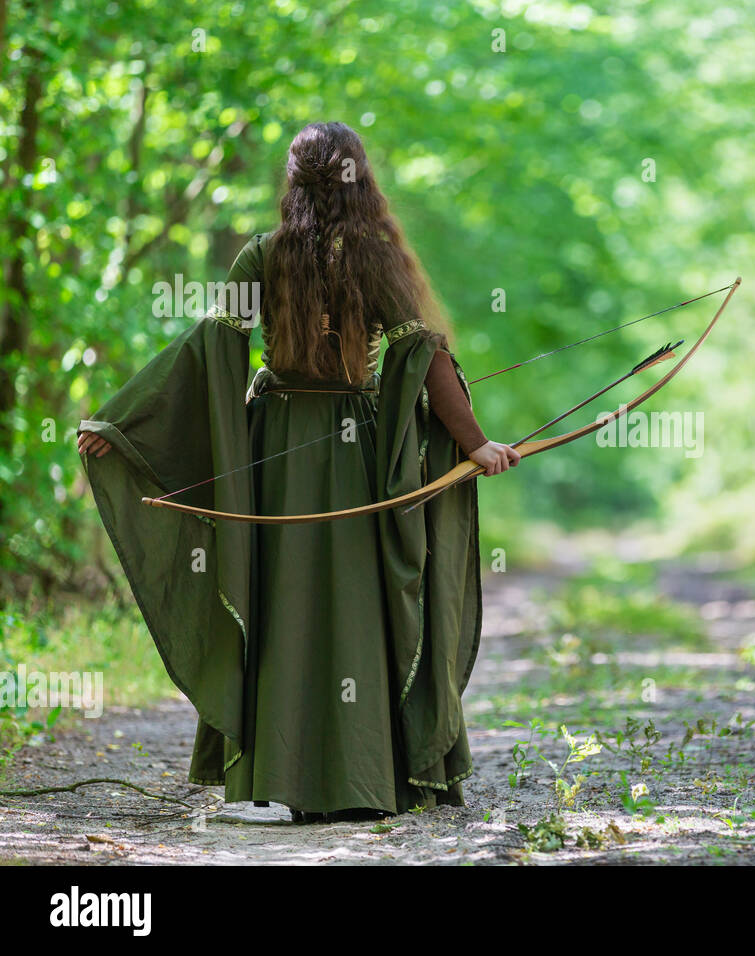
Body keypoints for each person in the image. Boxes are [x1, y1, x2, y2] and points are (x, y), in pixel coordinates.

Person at [76, 121, 519, 823]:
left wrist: (125, 424)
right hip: (356, 452)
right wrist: (477, 442)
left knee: (284, 597)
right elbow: (426, 361)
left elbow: (207, 350)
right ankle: (366, 777)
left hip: (274, 448)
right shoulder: (376, 259)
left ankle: (279, 778)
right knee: (349, 601)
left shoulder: (265, 252)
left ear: (294, 181)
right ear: (359, 178)